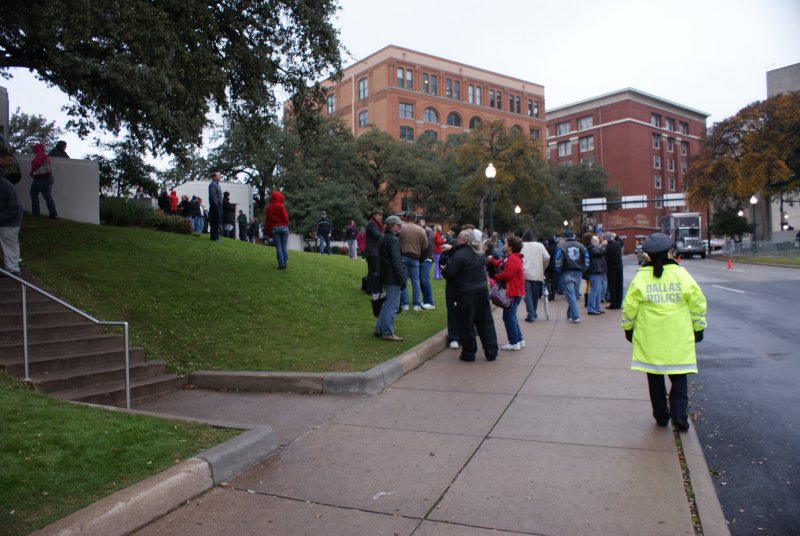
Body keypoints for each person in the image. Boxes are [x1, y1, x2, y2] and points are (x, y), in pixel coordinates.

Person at [622, 232, 707, 431]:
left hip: (650, 335)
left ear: (648, 256)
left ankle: (661, 416)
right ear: (670, 252)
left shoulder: (641, 278)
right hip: (678, 335)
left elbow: (629, 308)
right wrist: (698, 327)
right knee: (679, 377)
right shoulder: (682, 275)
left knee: (655, 377)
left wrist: (628, 328)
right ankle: (679, 416)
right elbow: (697, 303)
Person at [441, 229, 498, 362]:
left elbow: (450, 274)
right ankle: (491, 351)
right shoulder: (478, 254)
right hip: (482, 291)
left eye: (458, 239)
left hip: (466, 293)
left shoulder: (460, 255)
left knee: (466, 323)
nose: (456, 240)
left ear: (463, 240)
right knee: (485, 322)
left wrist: (444, 270)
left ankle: (469, 352)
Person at [489, 235, 525, 350]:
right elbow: (501, 263)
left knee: (509, 317)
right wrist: (492, 261)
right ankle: (519, 339)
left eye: (505, 244)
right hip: (514, 291)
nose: (503, 246)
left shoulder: (513, 259)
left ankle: (514, 342)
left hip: (513, 292)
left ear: (510, 247)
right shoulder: (511, 257)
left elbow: (507, 275)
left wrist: (495, 277)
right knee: (511, 316)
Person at [375, 215, 406, 341]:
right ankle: (387, 332)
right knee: (392, 306)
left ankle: (379, 329)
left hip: (385, 275)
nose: (400, 227)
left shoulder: (383, 237)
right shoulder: (393, 239)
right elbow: (396, 261)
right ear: (391, 225)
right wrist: (402, 277)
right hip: (392, 276)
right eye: (398, 225)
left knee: (386, 304)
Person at [555, 230, 589, 324]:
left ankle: (574, 315)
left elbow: (557, 259)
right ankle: (573, 315)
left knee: (571, 295)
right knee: (574, 295)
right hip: (578, 272)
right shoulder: (581, 246)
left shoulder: (561, 246)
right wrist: (584, 268)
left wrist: (558, 270)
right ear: (574, 236)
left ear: (565, 237)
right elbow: (586, 258)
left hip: (566, 271)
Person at [0, 147, 23, 276]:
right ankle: (11, 268)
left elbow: (13, 208)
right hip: (6, 218)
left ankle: (13, 269)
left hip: (10, 221)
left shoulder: (6, 185)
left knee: (9, 241)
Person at [399, 212, 428, 311]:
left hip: (403, 256)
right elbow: (425, 245)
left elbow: (397, 241)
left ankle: (405, 304)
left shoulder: (401, 227)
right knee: (416, 282)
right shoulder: (420, 230)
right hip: (415, 257)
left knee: (404, 281)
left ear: (406, 218)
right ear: (415, 219)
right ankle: (416, 304)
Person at [521, 230, 550, 323]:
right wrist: (543, 267)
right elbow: (547, 257)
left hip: (524, 272)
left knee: (527, 294)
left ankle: (531, 313)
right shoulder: (539, 245)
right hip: (537, 272)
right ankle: (533, 312)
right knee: (535, 295)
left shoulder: (521, 245)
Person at [29, 143, 58, 218]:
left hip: (40, 177)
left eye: (34, 148)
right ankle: (53, 213)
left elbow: (37, 163)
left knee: (33, 194)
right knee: (48, 196)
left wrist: (32, 172)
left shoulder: (40, 154)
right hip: (49, 177)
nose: (33, 149)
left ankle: (35, 212)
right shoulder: (45, 155)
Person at [264, 190, 289, 269]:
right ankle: (284, 262)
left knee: (278, 247)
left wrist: (269, 233)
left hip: (275, 229)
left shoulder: (269, 208)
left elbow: (267, 221)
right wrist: (285, 224)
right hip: (284, 228)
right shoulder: (281, 206)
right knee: (284, 246)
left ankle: (281, 264)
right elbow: (285, 218)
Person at [364, 209, 383, 294]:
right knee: (373, 272)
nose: (380, 217)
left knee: (373, 271)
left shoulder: (375, 224)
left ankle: (370, 288)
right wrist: (385, 235)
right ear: (374, 215)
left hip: (374, 251)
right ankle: (371, 290)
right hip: (372, 252)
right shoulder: (372, 224)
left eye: (381, 215)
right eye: (379, 215)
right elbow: (377, 235)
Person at [587, 235, 607, 315]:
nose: (598, 242)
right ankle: (591, 309)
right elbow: (601, 252)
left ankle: (596, 307)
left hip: (598, 271)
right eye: (597, 241)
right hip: (595, 271)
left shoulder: (594, 248)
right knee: (594, 291)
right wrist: (603, 245)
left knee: (597, 291)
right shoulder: (592, 249)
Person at [418, 218, 435, 309]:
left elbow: (428, 245)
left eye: (420, 221)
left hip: (426, 259)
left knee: (425, 280)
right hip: (423, 258)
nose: (419, 223)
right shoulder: (423, 230)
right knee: (422, 280)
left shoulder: (428, 230)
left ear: (424, 222)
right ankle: (426, 301)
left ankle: (430, 302)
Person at [605, 232, 624, 309]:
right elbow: (621, 241)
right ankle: (619, 303)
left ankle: (613, 303)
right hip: (619, 267)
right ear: (612, 238)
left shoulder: (607, 247)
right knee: (619, 285)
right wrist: (616, 236)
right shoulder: (617, 244)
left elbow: (606, 259)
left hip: (611, 269)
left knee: (612, 287)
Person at [208, 171, 223, 241]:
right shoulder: (213, 184)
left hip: (219, 205)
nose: (219, 177)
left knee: (217, 222)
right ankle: (213, 237)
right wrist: (215, 204)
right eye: (218, 175)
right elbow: (212, 195)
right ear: (214, 177)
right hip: (215, 205)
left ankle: (216, 236)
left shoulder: (218, 185)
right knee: (214, 221)